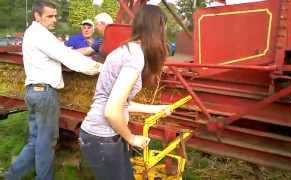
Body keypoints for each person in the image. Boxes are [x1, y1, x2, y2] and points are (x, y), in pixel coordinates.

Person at [4, 1, 102, 180]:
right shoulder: (41, 35)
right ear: (37, 16)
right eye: (49, 16)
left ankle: (11, 176)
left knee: (35, 141)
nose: (54, 20)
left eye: (55, 16)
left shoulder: (34, 33)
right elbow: (67, 57)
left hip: (34, 92)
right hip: (44, 93)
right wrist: (99, 68)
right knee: (46, 143)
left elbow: (62, 51)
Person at [79, 5, 168, 180]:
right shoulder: (134, 57)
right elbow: (111, 111)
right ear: (157, 28)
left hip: (106, 134)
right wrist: (132, 138)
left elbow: (121, 103)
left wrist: (156, 109)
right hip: (102, 136)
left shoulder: (129, 50)